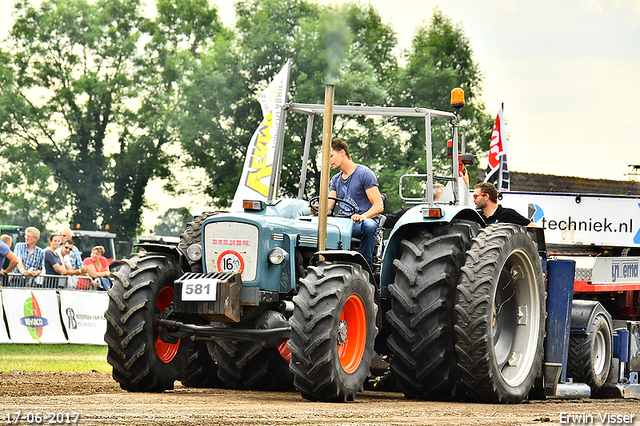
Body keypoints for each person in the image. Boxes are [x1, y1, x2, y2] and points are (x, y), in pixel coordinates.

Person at [318, 138, 384, 267]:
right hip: (343, 223)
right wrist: (318, 210)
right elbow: (329, 206)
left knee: (369, 225)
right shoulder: (336, 180)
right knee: (313, 221)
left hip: (360, 223)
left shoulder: (364, 174)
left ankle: (365, 266)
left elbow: (379, 205)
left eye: (331, 156)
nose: (329, 161)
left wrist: (363, 216)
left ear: (342, 153)